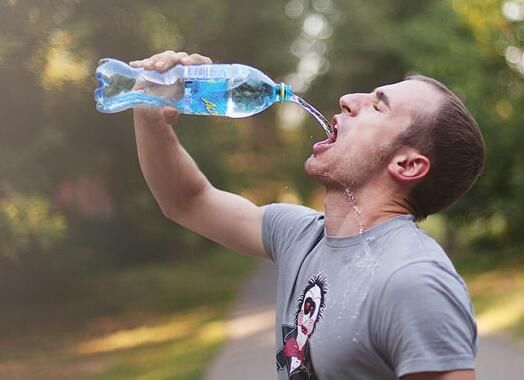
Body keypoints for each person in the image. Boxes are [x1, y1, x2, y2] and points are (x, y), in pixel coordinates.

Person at [130, 50, 485, 380]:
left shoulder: (414, 282)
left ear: (406, 165)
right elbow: (187, 200)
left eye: (378, 107)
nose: (348, 99)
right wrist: (149, 112)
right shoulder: (301, 237)